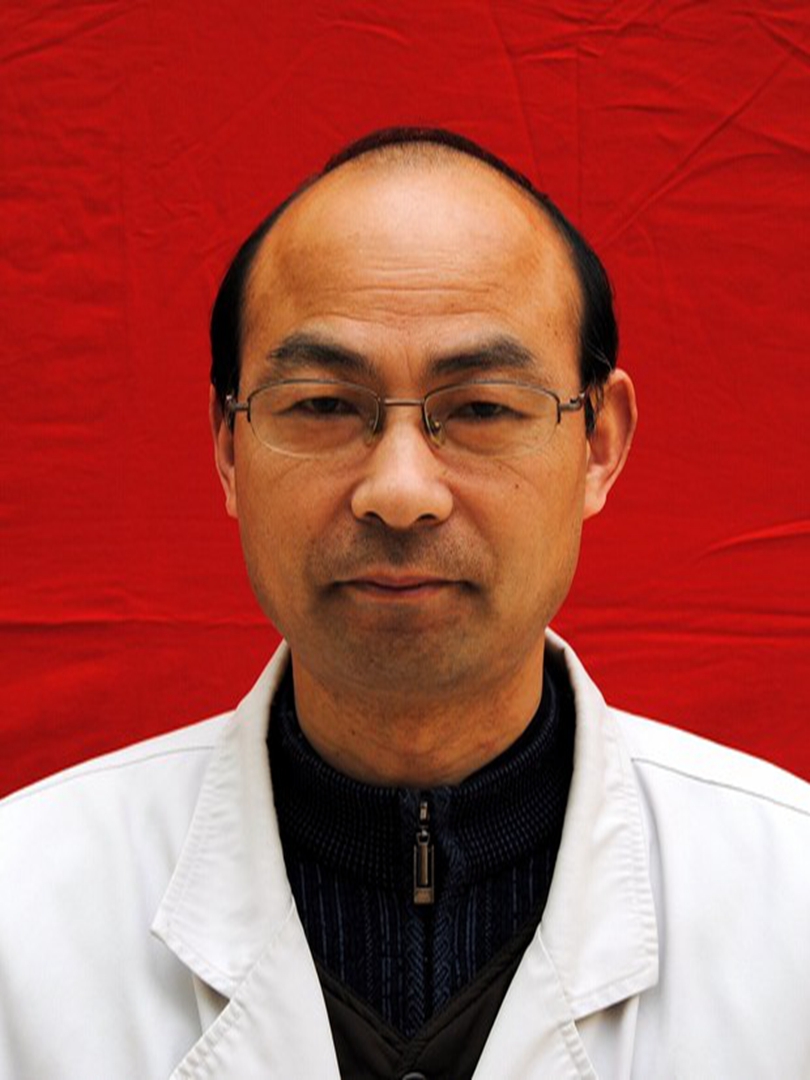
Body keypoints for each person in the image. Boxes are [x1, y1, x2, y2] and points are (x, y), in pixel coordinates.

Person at [1, 127, 809, 1080]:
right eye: (323, 405)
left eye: (481, 408)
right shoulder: (24, 915)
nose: (399, 490)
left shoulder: (787, 905)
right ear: (228, 447)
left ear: (599, 444)